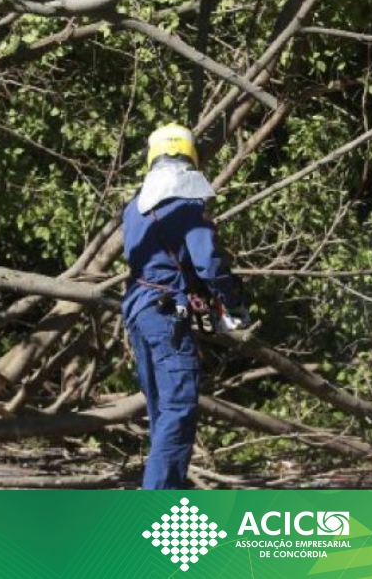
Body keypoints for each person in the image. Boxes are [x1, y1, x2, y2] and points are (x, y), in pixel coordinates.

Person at [122, 123, 249, 490]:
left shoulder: (134, 208)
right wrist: (231, 301)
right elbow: (209, 263)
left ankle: (163, 495)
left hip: (139, 311)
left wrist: (191, 289)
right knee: (177, 412)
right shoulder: (186, 207)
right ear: (190, 157)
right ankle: (158, 511)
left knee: (161, 412)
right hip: (164, 316)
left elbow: (161, 262)